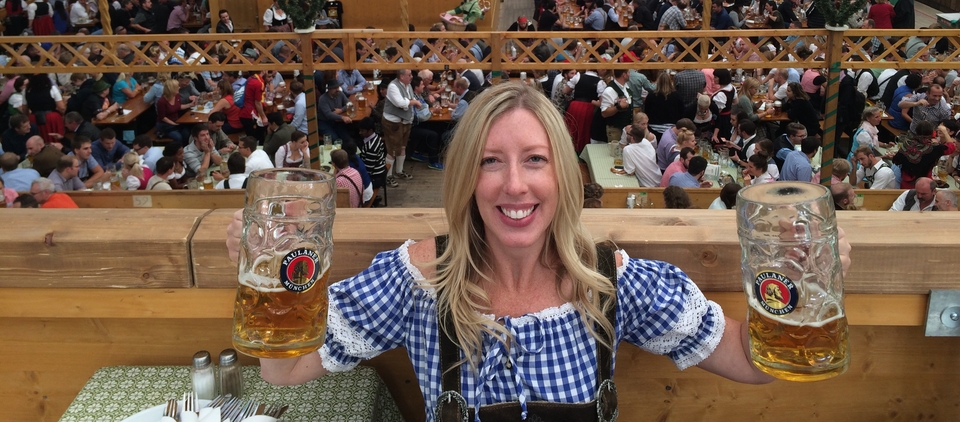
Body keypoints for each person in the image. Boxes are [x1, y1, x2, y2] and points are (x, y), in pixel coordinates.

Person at [227, 83, 851, 419]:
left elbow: (748, 359)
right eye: (490, 162)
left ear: (564, 177)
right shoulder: (417, 279)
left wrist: (802, 286)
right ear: (467, 178)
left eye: (535, 161)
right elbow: (284, 370)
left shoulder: (615, 283)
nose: (515, 186)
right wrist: (272, 273)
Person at [382, 69, 423, 185]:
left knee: (403, 147)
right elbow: (401, 103)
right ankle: (388, 175)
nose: (411, 77)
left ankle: (399, 171)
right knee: (392, 150)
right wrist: (414, 102)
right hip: (393, 123)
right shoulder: (393, 87)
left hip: (405, 122)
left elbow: (408, 100)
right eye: (409, 75)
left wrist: (412, 102)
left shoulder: (408, 85)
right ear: (401, 77)